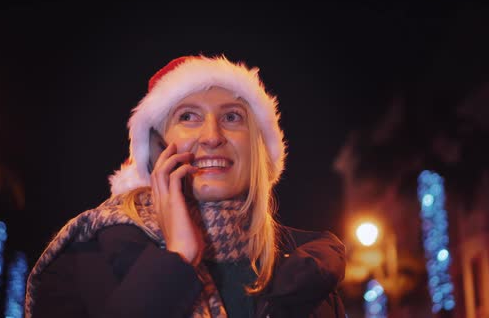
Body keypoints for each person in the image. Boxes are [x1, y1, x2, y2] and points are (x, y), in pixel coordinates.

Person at [25, 55, 346, 317]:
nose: (211, 136)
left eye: (232, 117)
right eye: (188, 117)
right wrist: (175, 260)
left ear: (259, 146)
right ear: (155, 147)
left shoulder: (311, 273)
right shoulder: (91, 254)